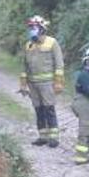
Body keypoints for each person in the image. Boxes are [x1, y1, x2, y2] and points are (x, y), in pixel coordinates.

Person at [18, 15, 65, 146]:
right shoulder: (29, 45)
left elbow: (59, 64)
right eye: (30, 27)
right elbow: (24, 67)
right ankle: (42, 136)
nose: (32, 30)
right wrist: (23, 84)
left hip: (47, 83)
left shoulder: (52, 43)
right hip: (33, 84)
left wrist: (58, 82)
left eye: (34, 27)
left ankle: (54, 138)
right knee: (38, 110)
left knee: (49, 109)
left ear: (42, 29)